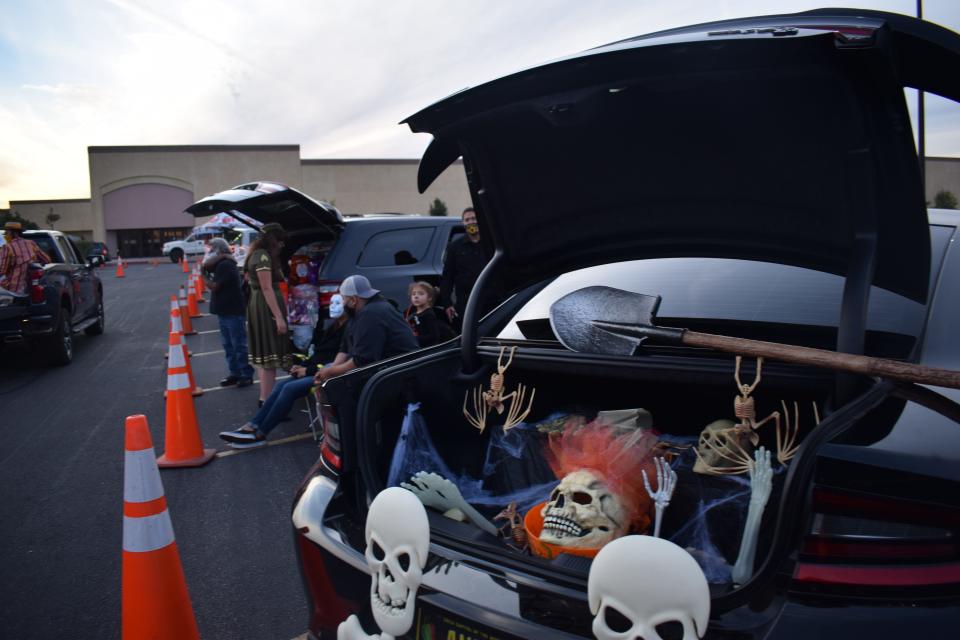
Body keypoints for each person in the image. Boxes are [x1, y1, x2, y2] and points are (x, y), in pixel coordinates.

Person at [218, 295, 350, 448]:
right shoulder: (332, 325)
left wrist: (307, 370)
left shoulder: (349, 329)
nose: (332, 306)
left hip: (327, 373)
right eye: (332, 302)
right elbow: (318, 352)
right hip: (313, 368)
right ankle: (252, 426)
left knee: (289, 388)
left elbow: (334, 360)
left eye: (338, 303)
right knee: (279, 387)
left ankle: (260, 434)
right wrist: (301, 366)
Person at [314, 274, 419, 385]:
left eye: (344, 299)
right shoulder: (359, 313)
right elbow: (344, 348)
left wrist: (330, 372)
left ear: (354, 300)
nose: (343, 303)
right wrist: (331, 370)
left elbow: (363, 360)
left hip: (399, 373)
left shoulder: (372, 313)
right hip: (385, 371)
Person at [244, 222, 292, 405]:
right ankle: (267, 400)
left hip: (258, 305)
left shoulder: (255, 254)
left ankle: (265, 397)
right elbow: (266, 287)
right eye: (280, 242)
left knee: (263, 355)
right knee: (269, 355)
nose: (281, 246)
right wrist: (279, 317)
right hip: (265, 307)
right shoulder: (263, 257)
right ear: (273, 240)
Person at [202, 238, 254, 387]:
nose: (209, 252)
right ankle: (235, 373)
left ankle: (245, 374)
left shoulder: (226, 265)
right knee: (228, 345)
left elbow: (214, 286)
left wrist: (202, 274)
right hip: (226, 310)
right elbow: (207, 264)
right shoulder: (222, 262)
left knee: (238, 344)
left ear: (218, 250)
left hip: (232, 310)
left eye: (211, 249)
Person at [439, 207, 487, 327]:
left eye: (474, 218)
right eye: (467, 220)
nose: (471, 222)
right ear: (463, 223)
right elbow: (447, 276)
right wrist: (447, 303)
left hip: (492, 300)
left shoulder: (491, 243)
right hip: (467, 302)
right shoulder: (455, 247)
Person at [0, 221, 50, 294]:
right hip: (31, 288)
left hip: (13, 289)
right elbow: (47, 260)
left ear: (13, 233)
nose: (6, 235)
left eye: (7, 233)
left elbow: (2, 270)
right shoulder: (31, 243)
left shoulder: (7, 247)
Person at [404, 281, 454, 348]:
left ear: (429, 297)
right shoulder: (413, 314)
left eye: (421, 294)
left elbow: (433, 336)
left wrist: (414, 339)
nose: (416, 296)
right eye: (413, 294)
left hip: (427, 350)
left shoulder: (428, 315)